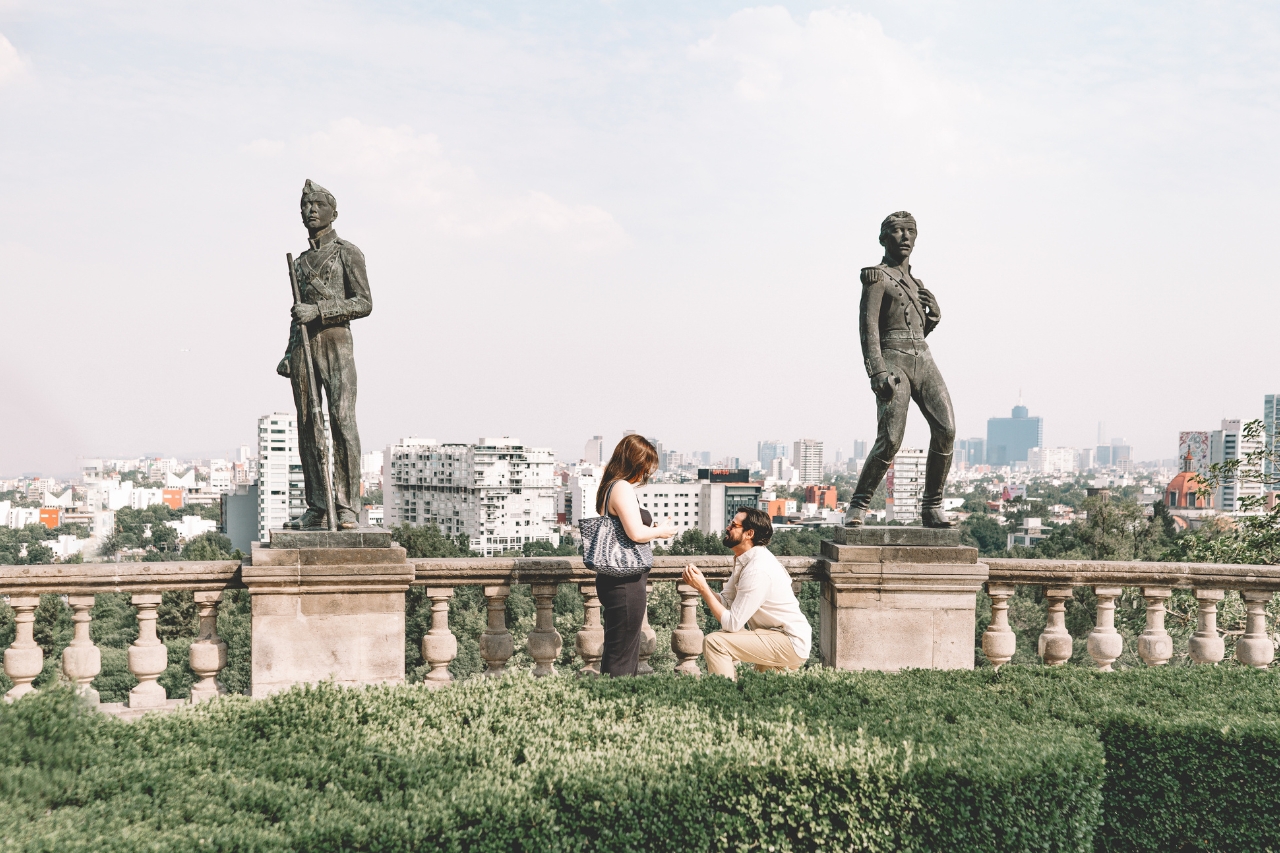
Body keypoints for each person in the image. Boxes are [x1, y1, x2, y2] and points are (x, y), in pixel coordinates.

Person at [845, 210, 956, 529]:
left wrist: (933, 316)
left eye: (911, 231)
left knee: (946, 429)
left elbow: (917, 329)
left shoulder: (916, 283)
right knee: (891, 438)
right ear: (883, 238)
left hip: (923, 357)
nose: (905, 237)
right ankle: (859, 505)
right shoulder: (877, 277)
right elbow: (868, 327)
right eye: (897, 231)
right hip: (893, 358)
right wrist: (876, 370)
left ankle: (932, 506)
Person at [276, 179, 371, 530]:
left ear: (333, 211)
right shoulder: (299, 263)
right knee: (308, 426)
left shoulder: (348, 252)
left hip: (336, 343)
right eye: (305, 206)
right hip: (304, 347)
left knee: (342, 420)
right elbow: (296, 312)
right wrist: (289, 352)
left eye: (317, 204)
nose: (310, 210)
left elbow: (364, 303)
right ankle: (318, 504)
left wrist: (319, 312)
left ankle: (346, 506)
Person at [681, 508, 811, 680]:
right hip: (775, 636)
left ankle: (725, 702)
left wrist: (704, 589)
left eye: (734, 525)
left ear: (749, 533)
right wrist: (700, 585)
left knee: (715, 642)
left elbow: (732, 623)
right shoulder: (746, 560)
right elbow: (726, 601)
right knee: (763, 694)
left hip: (789, 641)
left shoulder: (757, 569)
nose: (727, 528)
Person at [594, 435, 678, 676]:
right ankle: (617, 705)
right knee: (622, 655)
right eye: (645, 467)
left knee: (617, 648)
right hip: (625, 581)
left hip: (613, 578)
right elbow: (635, 532)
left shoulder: (608, 487)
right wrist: (661, 531)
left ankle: (610, 703)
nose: (645, 474)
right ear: (635, 462)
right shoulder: (621, 487)